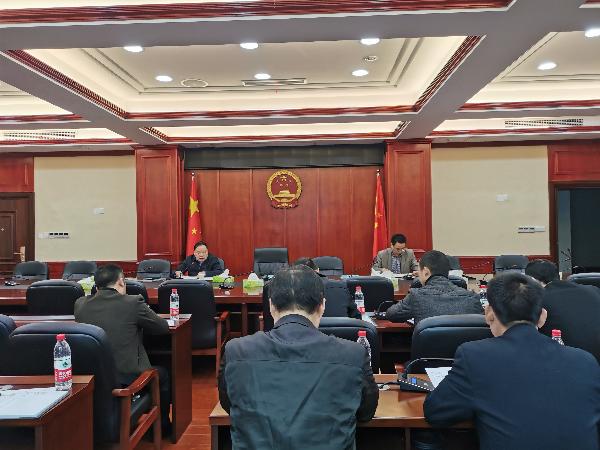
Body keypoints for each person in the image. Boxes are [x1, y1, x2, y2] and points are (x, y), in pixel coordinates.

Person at [424, 272, 600, 450]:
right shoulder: (585, 361)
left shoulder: (475, 356)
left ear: (489, 313)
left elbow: (436, 412)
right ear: (542, 317)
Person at [219, 265, 378, 450]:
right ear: (322, 305)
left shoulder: (236, 351)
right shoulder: (353, 354)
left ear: (270, 305)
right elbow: (366, 412)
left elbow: (229, 404)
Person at [74, 264, 172, 433]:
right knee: (162, 374)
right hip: (126, 377)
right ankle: (162, 428)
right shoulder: (132, 302)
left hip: (93, 377)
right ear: (121, 281)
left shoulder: (80, 304)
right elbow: (162, 327)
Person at [525, 259, 600, 363]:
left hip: (569, 363)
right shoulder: (594, 290)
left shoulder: (538, 299)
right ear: (558, 275)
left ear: (531, 280)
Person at [386, 250, 482, 324]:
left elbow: (391, 314)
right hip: (463, 345)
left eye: (419, 271)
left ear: (426, 272)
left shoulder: (416, 296)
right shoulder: (472, 297)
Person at [293, 257, 361, 319]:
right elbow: (356, 317)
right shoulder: (341, 286)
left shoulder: (292, 292)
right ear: (317, 270)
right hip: (340, 328)